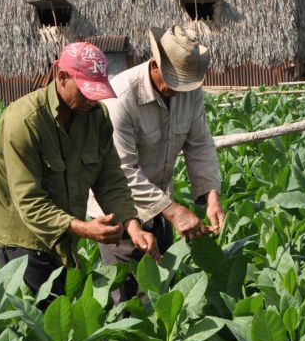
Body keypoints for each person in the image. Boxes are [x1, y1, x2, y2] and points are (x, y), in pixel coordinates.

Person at [0, 42, 158, 298]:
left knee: (62, 311)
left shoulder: (96, 117)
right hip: (21, 238)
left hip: (64, 234)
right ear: (61, 77)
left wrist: (133, 227)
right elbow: (30, 202)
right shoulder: (23, 122)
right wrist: (85, 229)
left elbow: (110, 181)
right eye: (86, 90)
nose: (92, 99)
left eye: (97, 91)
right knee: (42, 321)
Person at [96, 22, 226, 303]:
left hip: (160, 207)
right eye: (174, 82)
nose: (179, 91)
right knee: (127, 301)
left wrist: (211, 196)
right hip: (120, 211)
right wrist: (175, 212)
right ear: (155, 65)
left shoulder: (189, 91)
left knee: (160, 291)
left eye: (185, 84)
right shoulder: (120, 98)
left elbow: (200, 144)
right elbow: (123, 172)